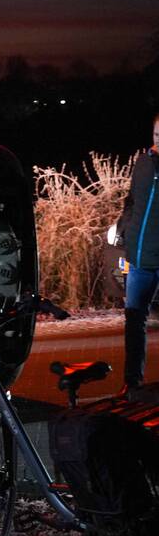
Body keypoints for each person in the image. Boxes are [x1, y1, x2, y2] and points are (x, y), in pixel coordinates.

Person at [118, 113, 159, 397]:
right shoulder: (143, 163)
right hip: (139, 258)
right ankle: (132, 384)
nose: (157, 144)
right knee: (134, 321)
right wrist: (124, 226)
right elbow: (132, 200)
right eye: (156, 136)